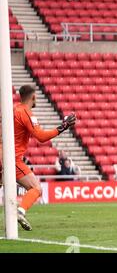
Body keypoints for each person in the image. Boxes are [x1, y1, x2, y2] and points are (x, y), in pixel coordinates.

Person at [13, 85, 76, 230]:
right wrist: (64, 126)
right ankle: (20, 212)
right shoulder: (26, 113)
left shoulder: (14, 110)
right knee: (36, 188)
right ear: (33, 97)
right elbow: (41, 137)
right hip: (11, 159)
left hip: (4, 154)